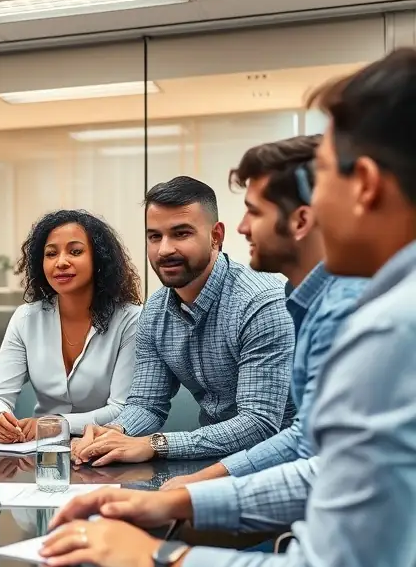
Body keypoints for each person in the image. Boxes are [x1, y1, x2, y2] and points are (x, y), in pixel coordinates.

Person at [41, 49, 416, 567]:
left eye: (322, 175)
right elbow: (323, 470)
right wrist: (173, 503)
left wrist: (156, 558)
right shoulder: (387, 311)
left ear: (364, 185)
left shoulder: (385, 330)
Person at [161, 138, 366, 490]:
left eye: (254, 211)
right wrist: (194, 489)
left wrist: (192, 496)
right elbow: (306, 440)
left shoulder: (343, 310)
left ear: (301, 221)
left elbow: (324, 463)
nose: (242, 227)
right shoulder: (306, 302)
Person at [72, 176, 295, 465]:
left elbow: (259, 423)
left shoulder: (260, 303)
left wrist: (155, 444)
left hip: (284, 463)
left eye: (181, 234)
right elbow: (147, 404)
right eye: (155, 236)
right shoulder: (155, 310)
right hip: (212, 460)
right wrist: (113, 435)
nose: (164, 250)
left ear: (216, 236)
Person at [0, 210, 142, 442]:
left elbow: (121, 410)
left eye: (75, 252)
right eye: (51, 254)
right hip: (42, 453)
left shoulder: (130, 320)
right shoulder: (26, 319)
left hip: (107, 448)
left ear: (99, 259)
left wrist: (54, 425)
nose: (61, 262)